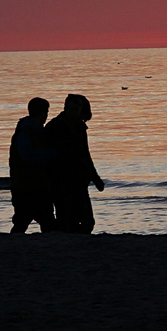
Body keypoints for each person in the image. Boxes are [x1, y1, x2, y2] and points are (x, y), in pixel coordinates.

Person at [44, 93, 104, 233]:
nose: (72, 112)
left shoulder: (79, 126)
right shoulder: (55, 126)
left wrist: (95, 178)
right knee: (67, 219)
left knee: (86, 221)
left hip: (78, 179)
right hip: (61, 179)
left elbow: (84, 154)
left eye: (75, 109)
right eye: (69, 109)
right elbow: (49, 155)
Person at [8, 97, 55, 234]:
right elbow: (28, 156)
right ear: (43, 113)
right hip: (26, 185)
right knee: (24, 221)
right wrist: (52, 154)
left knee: (41, 220)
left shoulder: (34, 131)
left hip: (33, 184)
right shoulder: (26, 132)